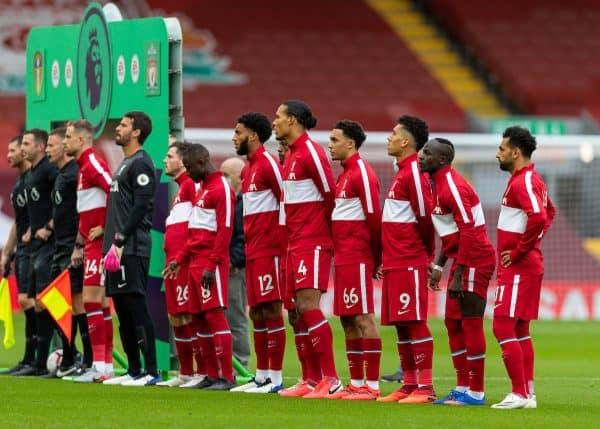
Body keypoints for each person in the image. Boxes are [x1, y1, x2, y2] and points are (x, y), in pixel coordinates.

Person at [419, 137, 496, 406]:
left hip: (475, 259)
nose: (420, 156)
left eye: (427, 153)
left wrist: (460, 273)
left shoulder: (452, 185)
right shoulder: (435, 185)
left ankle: (475, 392)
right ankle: (462, 387)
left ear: (441, 160)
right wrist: (440, 265)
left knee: (470, 323)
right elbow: (451, 235)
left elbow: (470, 231)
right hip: (462, 259)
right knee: (453, 323)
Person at [273, 100, 340, 398]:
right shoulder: (290, 156)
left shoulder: (311, 152)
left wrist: (323, 236)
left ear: (294, 120)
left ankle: (332, 378)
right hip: (293, 243)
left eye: (278, 117)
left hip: (311, 241)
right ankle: (310, 379)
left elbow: (330, 195)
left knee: (308, 307)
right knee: (295, 313)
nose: (274, 122)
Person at [491, 126, 555, 409]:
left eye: (502, 149)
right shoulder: (528, 179)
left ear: (516, 152)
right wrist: (529, 246)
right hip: (525, 265)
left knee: (502, 325)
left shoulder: (523, 181)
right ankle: (527, 394)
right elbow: (549, 212)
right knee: (519, 329)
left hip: (520, 267)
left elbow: (539, 217)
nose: (498, 154)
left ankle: (518, 393)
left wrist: (519, 251)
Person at [164, 143, 236, 391]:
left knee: (214, 315)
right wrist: (179, 260)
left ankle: (227, 376)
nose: (189, 174)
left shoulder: (221, 188)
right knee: (197, 318)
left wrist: (212, 264)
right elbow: (194, 233)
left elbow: (225, 230)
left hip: (209, 263)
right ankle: (209, 373)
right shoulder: (202, 189)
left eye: (190, 168)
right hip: (194, 262)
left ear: (202, 162)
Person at [376, 116, 437, 404]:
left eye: (393, 133)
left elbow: (426, 217)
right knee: (401, 323)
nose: (388, 138)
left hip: (410, 258)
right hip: (394, 260)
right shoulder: (402, 172)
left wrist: (426, 255)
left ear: (405, 141)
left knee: (414, 321)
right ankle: (409, 385)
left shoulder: (413, 172)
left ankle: (425, 387)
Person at [100, 111, 160, 386]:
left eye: (123, 125)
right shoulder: (125, 163)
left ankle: (151, 371)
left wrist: (121, 239)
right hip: (116, 248)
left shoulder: (141, 163)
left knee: (136, 306)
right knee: (122, 309)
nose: (119, 128)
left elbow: (142, 206)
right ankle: (134, 370)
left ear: (136, 132)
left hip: (131, 247)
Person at [228, 113, 286, 394]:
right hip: (253, 250)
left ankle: (275, 378)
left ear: (252, 136)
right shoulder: (249, 169)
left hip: (271, 250)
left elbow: (286, 199)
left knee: (272, 309)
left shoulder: (269, 164)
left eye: (238, 132)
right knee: (257, 313)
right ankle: (261, 376)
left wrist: (282, 242)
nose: (233, 137)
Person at [325, 120, 383, 400]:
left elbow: (373, 217)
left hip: (358, 256)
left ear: (350, 143)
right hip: (344, 256)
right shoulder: (344, 174)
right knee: (347, 319)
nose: (330, 145)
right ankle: (356, 382)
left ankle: (372, 385)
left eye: (335, 140)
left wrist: (376, 256)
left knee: (363, 317)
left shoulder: (362, 172)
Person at [63, 119, 113, 382]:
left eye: (68, 137)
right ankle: (104, 367)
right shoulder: (83, 168)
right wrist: (79, 243)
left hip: (101, 244)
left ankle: (100, 368)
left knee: (93, 301)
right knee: (100, 304)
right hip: (90, 244)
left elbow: (115, 190)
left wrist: (106, 228)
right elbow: (89, 212)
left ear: (81, 140)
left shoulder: (93, 163)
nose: (64, 142)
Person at [12, 129, 58, 376]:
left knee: (43, 302)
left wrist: (48, 227)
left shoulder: (50, 170)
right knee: (32, 301)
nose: (22, 149)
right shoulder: (31, 175)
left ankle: (44, 361)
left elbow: (62, 202)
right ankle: (32, 361)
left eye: (26, 144)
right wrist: (32, 228)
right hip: (34, 245)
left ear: (40, 147)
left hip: (49, 245)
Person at [155, 141, 198, 387]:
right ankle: (186, 373)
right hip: (173, 262)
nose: (165, 160)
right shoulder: (181, 190)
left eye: (169, 156)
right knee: (176, 317)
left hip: (183, 262)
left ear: (183, 161)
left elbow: (198, 224)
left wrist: (183, 256)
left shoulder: (191, 185)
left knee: (188, 316)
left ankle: (199, 372)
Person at [43, 127, 85, 377]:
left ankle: (78, 358)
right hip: (59, 247)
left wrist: (78, 245)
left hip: (72, 247)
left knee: (76, 304)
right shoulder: (62, 174)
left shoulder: (74, 173)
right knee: (56, 304)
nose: (48, 150)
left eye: (52, 145)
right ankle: (70, 355)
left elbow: (83, 209)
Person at [0, 135, 35, 375]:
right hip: (22, 249)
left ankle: (40, 358)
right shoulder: (20, 183)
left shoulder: (36, 179)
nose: (9, 154)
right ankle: (28, 359)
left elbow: (42, 213)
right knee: (25, 301)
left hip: (37, 248)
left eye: (15, 149)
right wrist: (7, 251)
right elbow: (18, 222)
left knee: (33, 301)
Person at [220, 157, 251, 373]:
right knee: (226, 317)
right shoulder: (232, 200)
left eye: (226, 175)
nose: (222, 180)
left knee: (236, 318)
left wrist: (234, 260)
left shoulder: (244, 202)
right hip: (227, 265)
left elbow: (244, 236)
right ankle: (227, 365)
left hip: (236, 268)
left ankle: (240, 364)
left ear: (239, 178)